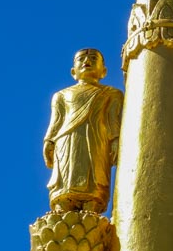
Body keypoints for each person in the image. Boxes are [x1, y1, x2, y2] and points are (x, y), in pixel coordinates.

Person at [43, 48, 123, 213]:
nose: (87, 61)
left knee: (94, 179)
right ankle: (62, 206)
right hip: (66, 140)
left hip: (96, 140)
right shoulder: (61, 95)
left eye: (94, 59)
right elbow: (56, 121)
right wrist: (49, 141)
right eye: (81, 59)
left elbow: (113, 120)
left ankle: (91, 207)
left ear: (104, 71)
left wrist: (116, 141)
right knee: (65, 179)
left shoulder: (111, 94)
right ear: (73, 71)